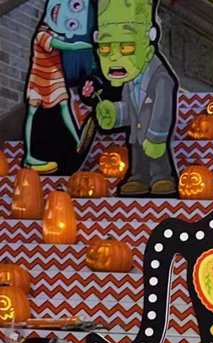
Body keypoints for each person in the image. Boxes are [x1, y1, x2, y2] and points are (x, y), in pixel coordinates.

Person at [94, 0, 177, 196]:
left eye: (126, 48)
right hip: (137, 132)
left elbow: (163, 110)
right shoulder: (130, 77)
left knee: (155, 154)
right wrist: (115, 114)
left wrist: (156, 136)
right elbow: (130, 107)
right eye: (106, 49)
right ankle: (138, 176)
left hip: (153, 130)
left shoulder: (161, 78)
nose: (114, 57)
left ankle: (161, 176)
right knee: (137, 151)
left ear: (147, 48)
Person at [25, 0, 94, 173]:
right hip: (40, 79)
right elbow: (65, 45)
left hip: (55, 77)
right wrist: (82, 45)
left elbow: (63, 39)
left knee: (64, 106)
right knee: (32, 112)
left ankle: (77, 141)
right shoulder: (42, 36)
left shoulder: (53, 33)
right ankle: (29, 155)